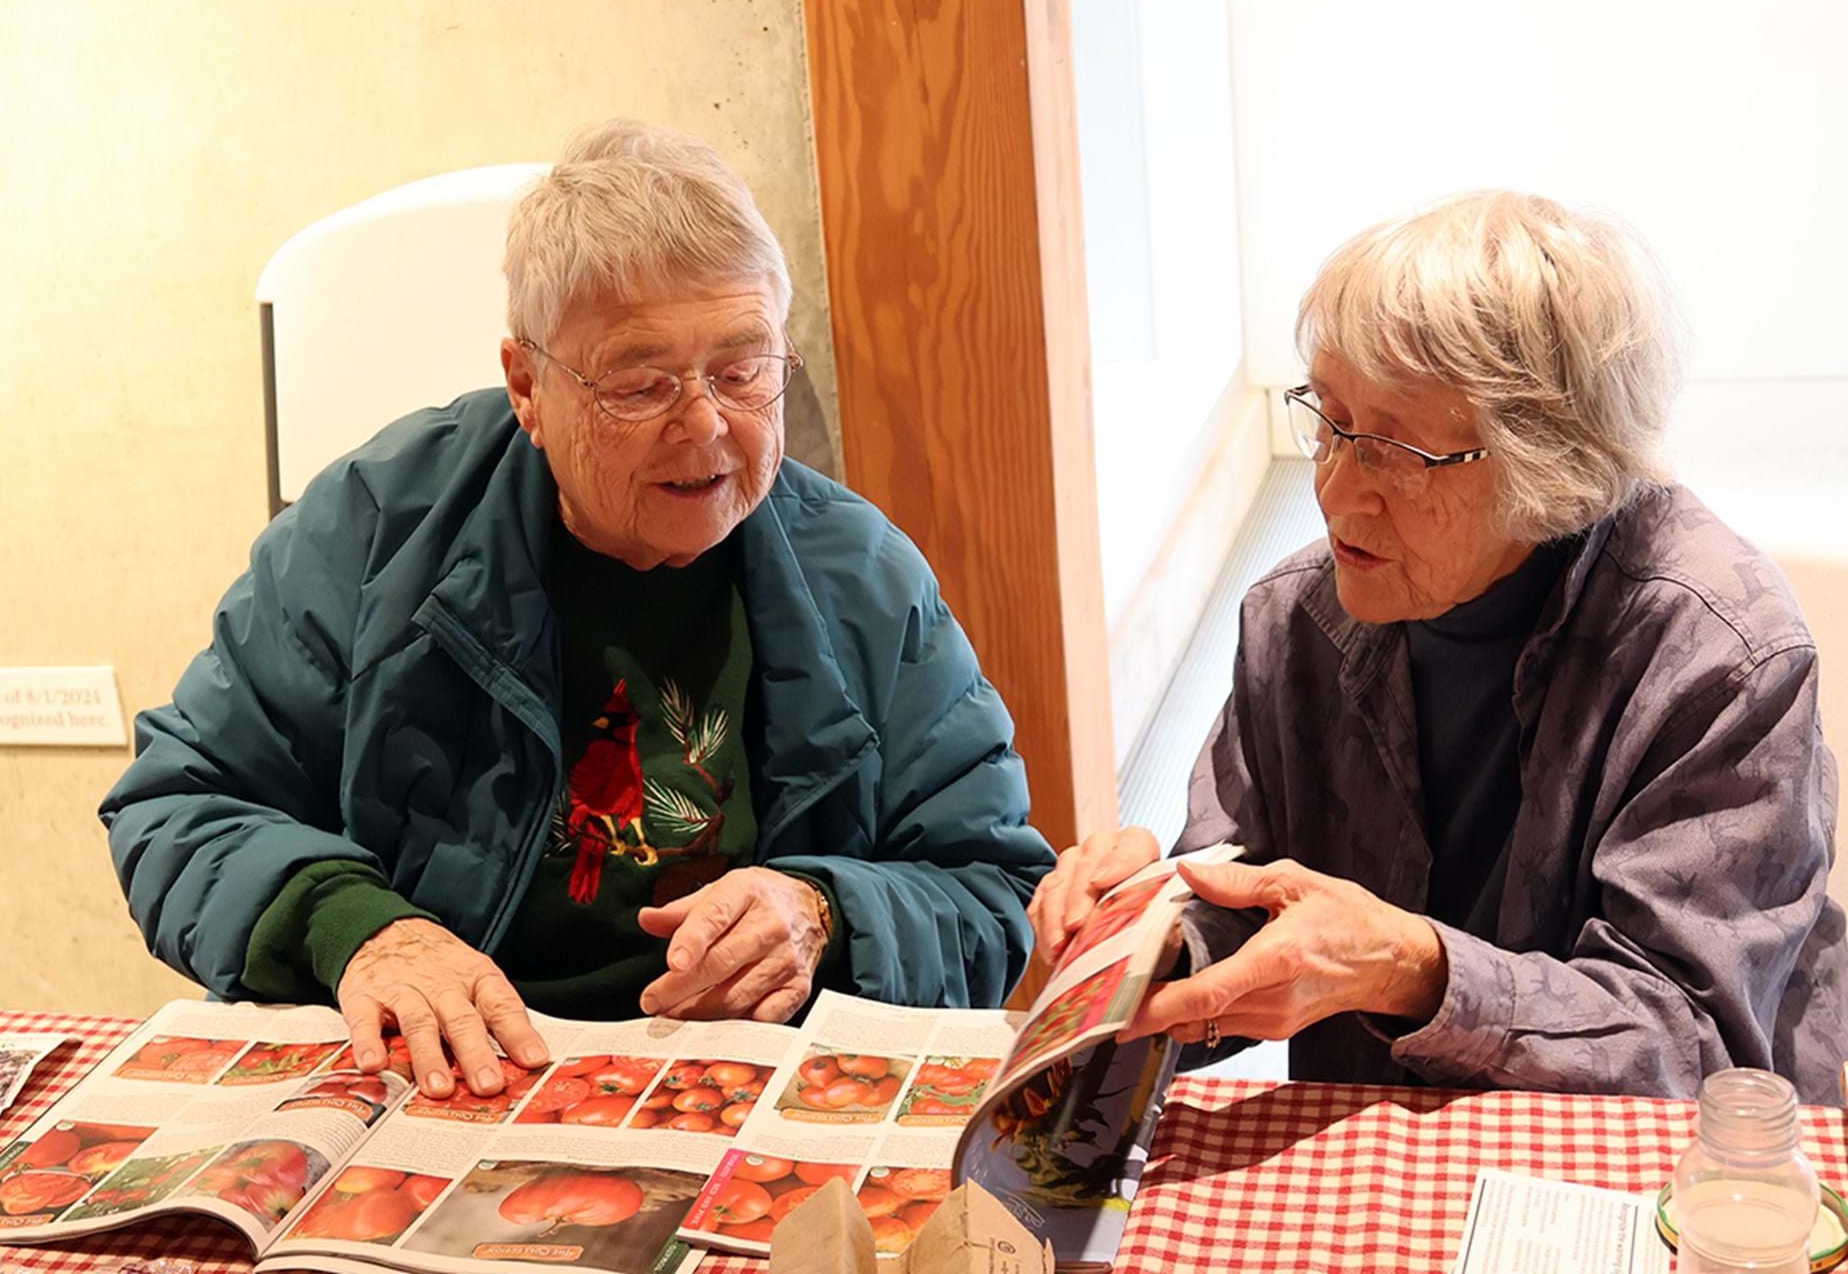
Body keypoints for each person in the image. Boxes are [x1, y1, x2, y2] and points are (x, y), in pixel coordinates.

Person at [103, 119, 1053, 1099]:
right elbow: (179, 804)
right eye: (641, 385)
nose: (707, 424)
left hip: (739, 1095)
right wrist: (359, 927)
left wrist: (827, 910)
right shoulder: (378, 528)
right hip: (443, 1079)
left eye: (742, 369)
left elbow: (989, 883)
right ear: (528, 384)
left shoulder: (862, 575)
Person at [1031, 190, 1846, 1101]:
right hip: (1393, 1158)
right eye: (1330, 422)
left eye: (1395, 451)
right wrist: (1146, 939)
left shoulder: (1718, 658)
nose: (1338, 493)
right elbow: (1244, 890)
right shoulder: (1299, 618)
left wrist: (1414, 969)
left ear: (1552, 464)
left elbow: (1688, 1044)